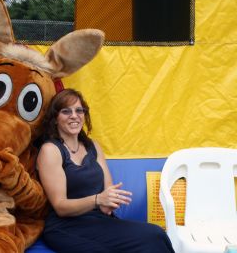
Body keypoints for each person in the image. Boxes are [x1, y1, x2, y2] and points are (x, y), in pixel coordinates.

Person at [37, 88, 174, 253]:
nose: (74, 116)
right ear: (55, 119)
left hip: (97, 220)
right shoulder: (50, 150)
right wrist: (98, 200)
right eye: (66, 111)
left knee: (155, 235)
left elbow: (108, 190)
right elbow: (60, 206)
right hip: (65, 226)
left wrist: (110, 202)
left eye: (79, 110)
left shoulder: (93, 146)